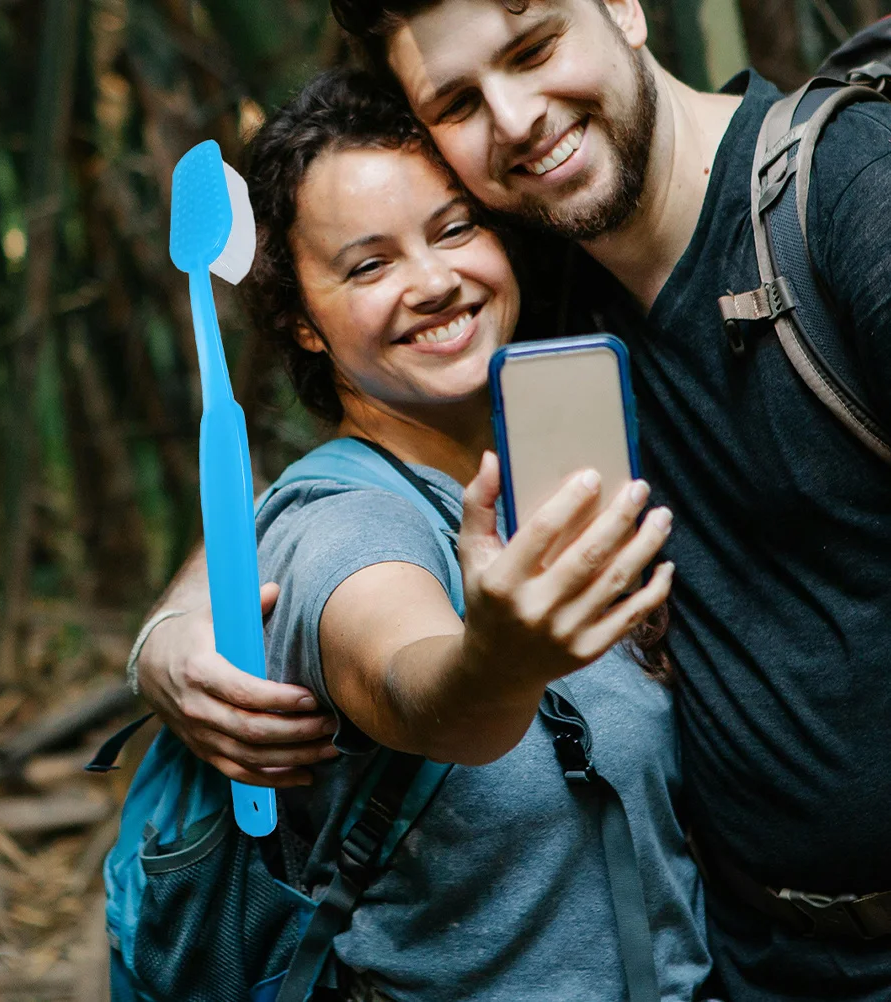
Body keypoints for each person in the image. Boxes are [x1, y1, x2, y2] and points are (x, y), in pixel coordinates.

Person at [136, 2, 891, 1000]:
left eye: (454, 229)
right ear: (301, 319)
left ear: (625, 8)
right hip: (769, 960)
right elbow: (384, 632)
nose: (518, 117)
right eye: (457, 101)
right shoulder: (554, 282)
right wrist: (187, 618)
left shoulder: (825, 201)